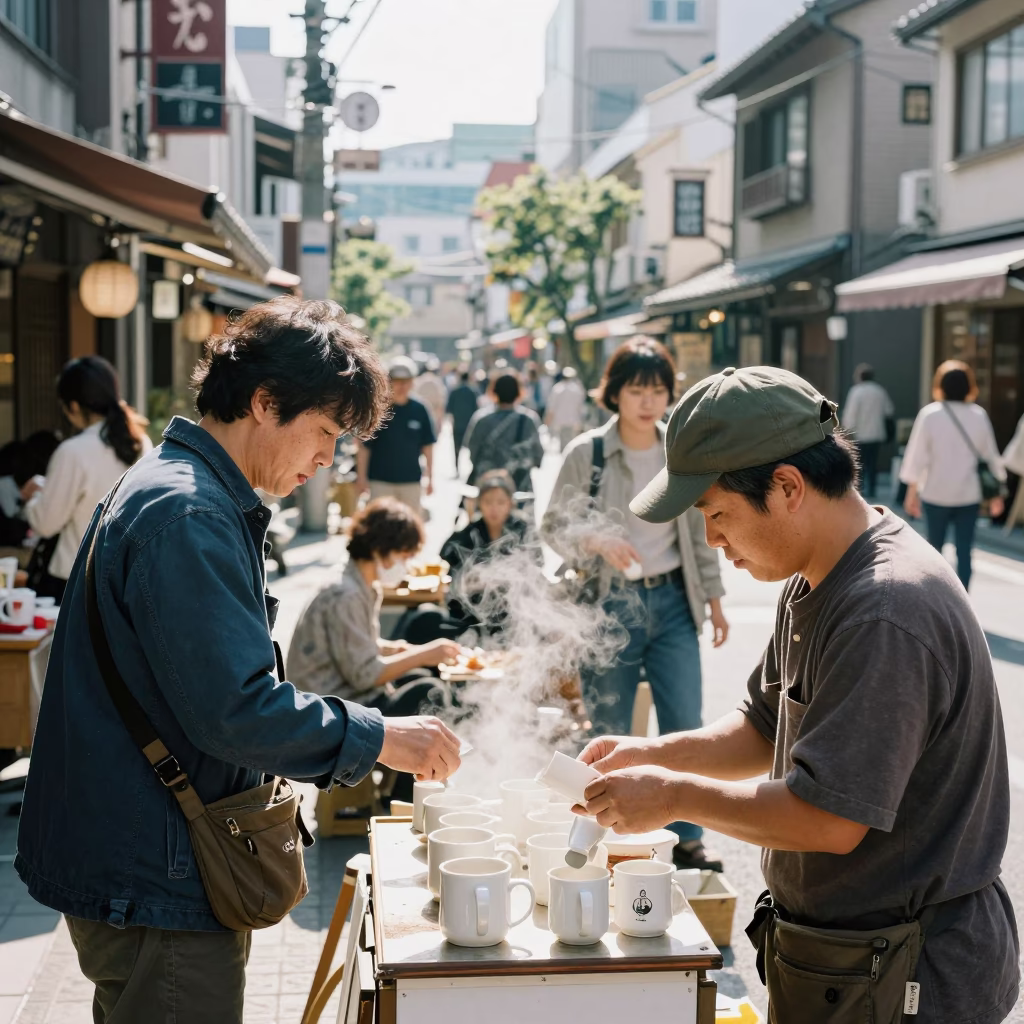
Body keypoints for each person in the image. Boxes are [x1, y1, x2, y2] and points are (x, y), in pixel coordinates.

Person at [16, 298, 460, 1023]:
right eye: (322, 432)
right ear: (263, 402)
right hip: (156, 865)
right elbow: (237, 709)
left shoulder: (176, 487)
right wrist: (383, 737)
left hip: (135, 849)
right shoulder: (189, 512)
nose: (326, 460)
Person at [575, 365, 1017, 1024]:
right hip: (846, 957)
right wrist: (656, 755)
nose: (713, 541)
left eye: (717, 513)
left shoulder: (883, 609)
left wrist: (670, 797)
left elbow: (828, 820)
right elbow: (761, 724)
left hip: (908, 972)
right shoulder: (816, 576)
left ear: (787, 487)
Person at [543, 338, 728, 872]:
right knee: (608, 731)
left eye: (658, 390)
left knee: (684, 725)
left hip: (673, 601)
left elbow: (701, 532)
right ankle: (602, 840)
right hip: (607, 606)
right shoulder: (589, 452)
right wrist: (597, 541)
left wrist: (714, 600)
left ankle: (688, 839)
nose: (648, 400)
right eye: (636, 389)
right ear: (615, 393)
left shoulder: (682, 450)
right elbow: (554, 526)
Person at [287, 497, 463, 801]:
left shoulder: (360, 583)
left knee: (422, 678)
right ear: (381, 549)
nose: (405, 565)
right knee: (429, 691)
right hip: (330, 708)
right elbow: (365, 674)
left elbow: (360, 645)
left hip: (343, 691)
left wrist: (399, 649)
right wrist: (426, 652)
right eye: (403, 555)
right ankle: (407, 798)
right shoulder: (346, 594)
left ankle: (406, 788)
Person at [20, 357, 151, 602]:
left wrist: (35, 497)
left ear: (74, 406)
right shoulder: (140, 444)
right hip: (124, 579)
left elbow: (46, 523)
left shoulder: (73, 451)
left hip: (75, 579)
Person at [900, 360, 1006, 590]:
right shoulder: (978, 415)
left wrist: (911, 492)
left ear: (940, 386)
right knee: (965, 551)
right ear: (970, 387)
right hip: (968, 494)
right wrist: (998, 494)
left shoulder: (930, 415)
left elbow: (916, 457)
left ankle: (935, 601)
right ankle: (964, 602)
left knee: (934, 550)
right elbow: (991, 456)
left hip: (935, 493)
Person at [356, 355, 436, 517]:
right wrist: (361, 477)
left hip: (411, 480)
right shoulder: (378, 409)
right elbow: (364, 446)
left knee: (410, 528)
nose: (402, 385)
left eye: (406, 381)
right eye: (397, 380)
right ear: (388, 381)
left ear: (413, 382)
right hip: (380, 480)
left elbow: (428, 445)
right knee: (379, 527)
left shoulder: (420, 409)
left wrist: (430, 478)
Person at [462, 373, 544, 492]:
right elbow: (538, 456)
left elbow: (472, 453)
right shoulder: (529, 419)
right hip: (520, 486)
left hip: (487, 486)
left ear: (493, 392)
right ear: (519, 392)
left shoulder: (481, 419)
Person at [841, 362, 894, 497]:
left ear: (859, 377)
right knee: (873, 462)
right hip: (876, 433)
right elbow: (889, 410)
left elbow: (851, 414)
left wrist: (846, 430)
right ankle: (872, 489)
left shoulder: (856, 391)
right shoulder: (879, 391)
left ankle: (860, 490)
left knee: (859, 463)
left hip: (860, 434)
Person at [445, 369, 480, 474]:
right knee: (471, 447)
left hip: (457, 423)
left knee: (456, 448)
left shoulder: (455, 391)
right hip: (470, 425)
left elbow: (449, 409)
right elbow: (476, 409)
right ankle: (471, 468)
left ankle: (457, 468)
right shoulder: (473, 391)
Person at [545, 366, 586, 450]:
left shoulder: (557, 388)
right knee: (571, 445)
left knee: (563, 445)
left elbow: (551, 407)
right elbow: (581, 407)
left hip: (560, 421)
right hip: (574, 421)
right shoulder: (577, 389)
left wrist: (548, 421)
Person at [412, 357, 448, 436]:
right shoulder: (437, 382)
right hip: (433, 414)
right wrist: (440, 420)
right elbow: (441, 402)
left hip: (420, 414)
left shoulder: (419, 381)